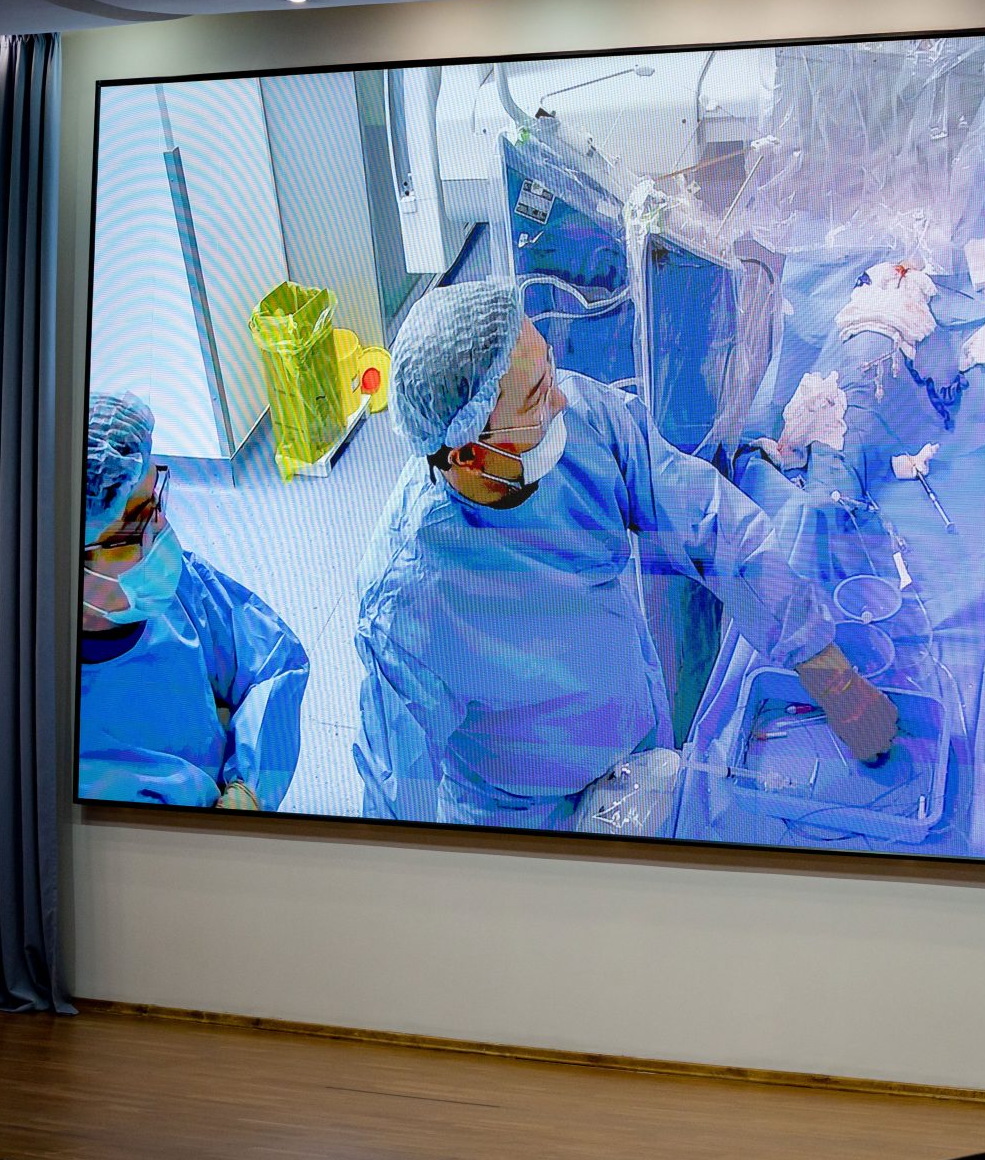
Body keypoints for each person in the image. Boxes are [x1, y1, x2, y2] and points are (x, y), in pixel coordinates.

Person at [354, 280, 899, 831]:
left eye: (549, 370)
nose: (561, 401)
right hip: (526, 821)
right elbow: (395, 798)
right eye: (537, 397)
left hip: (635, 745)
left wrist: (832, 677)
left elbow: (710, 523)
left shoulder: (584, 421)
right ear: (470, 455)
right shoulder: (410, 604)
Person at [77, 392, 310, 809]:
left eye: (155, 501)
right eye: (135, 524)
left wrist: (250, 787)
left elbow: (274, 660)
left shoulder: (175, 588)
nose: (161, 527)